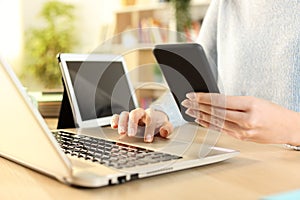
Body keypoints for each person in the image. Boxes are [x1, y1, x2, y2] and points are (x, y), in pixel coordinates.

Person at [111, 1, 300, 148]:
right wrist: (161, 114)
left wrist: (291, 128)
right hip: (234, 158)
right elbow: (197, 84)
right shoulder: (224, 3)